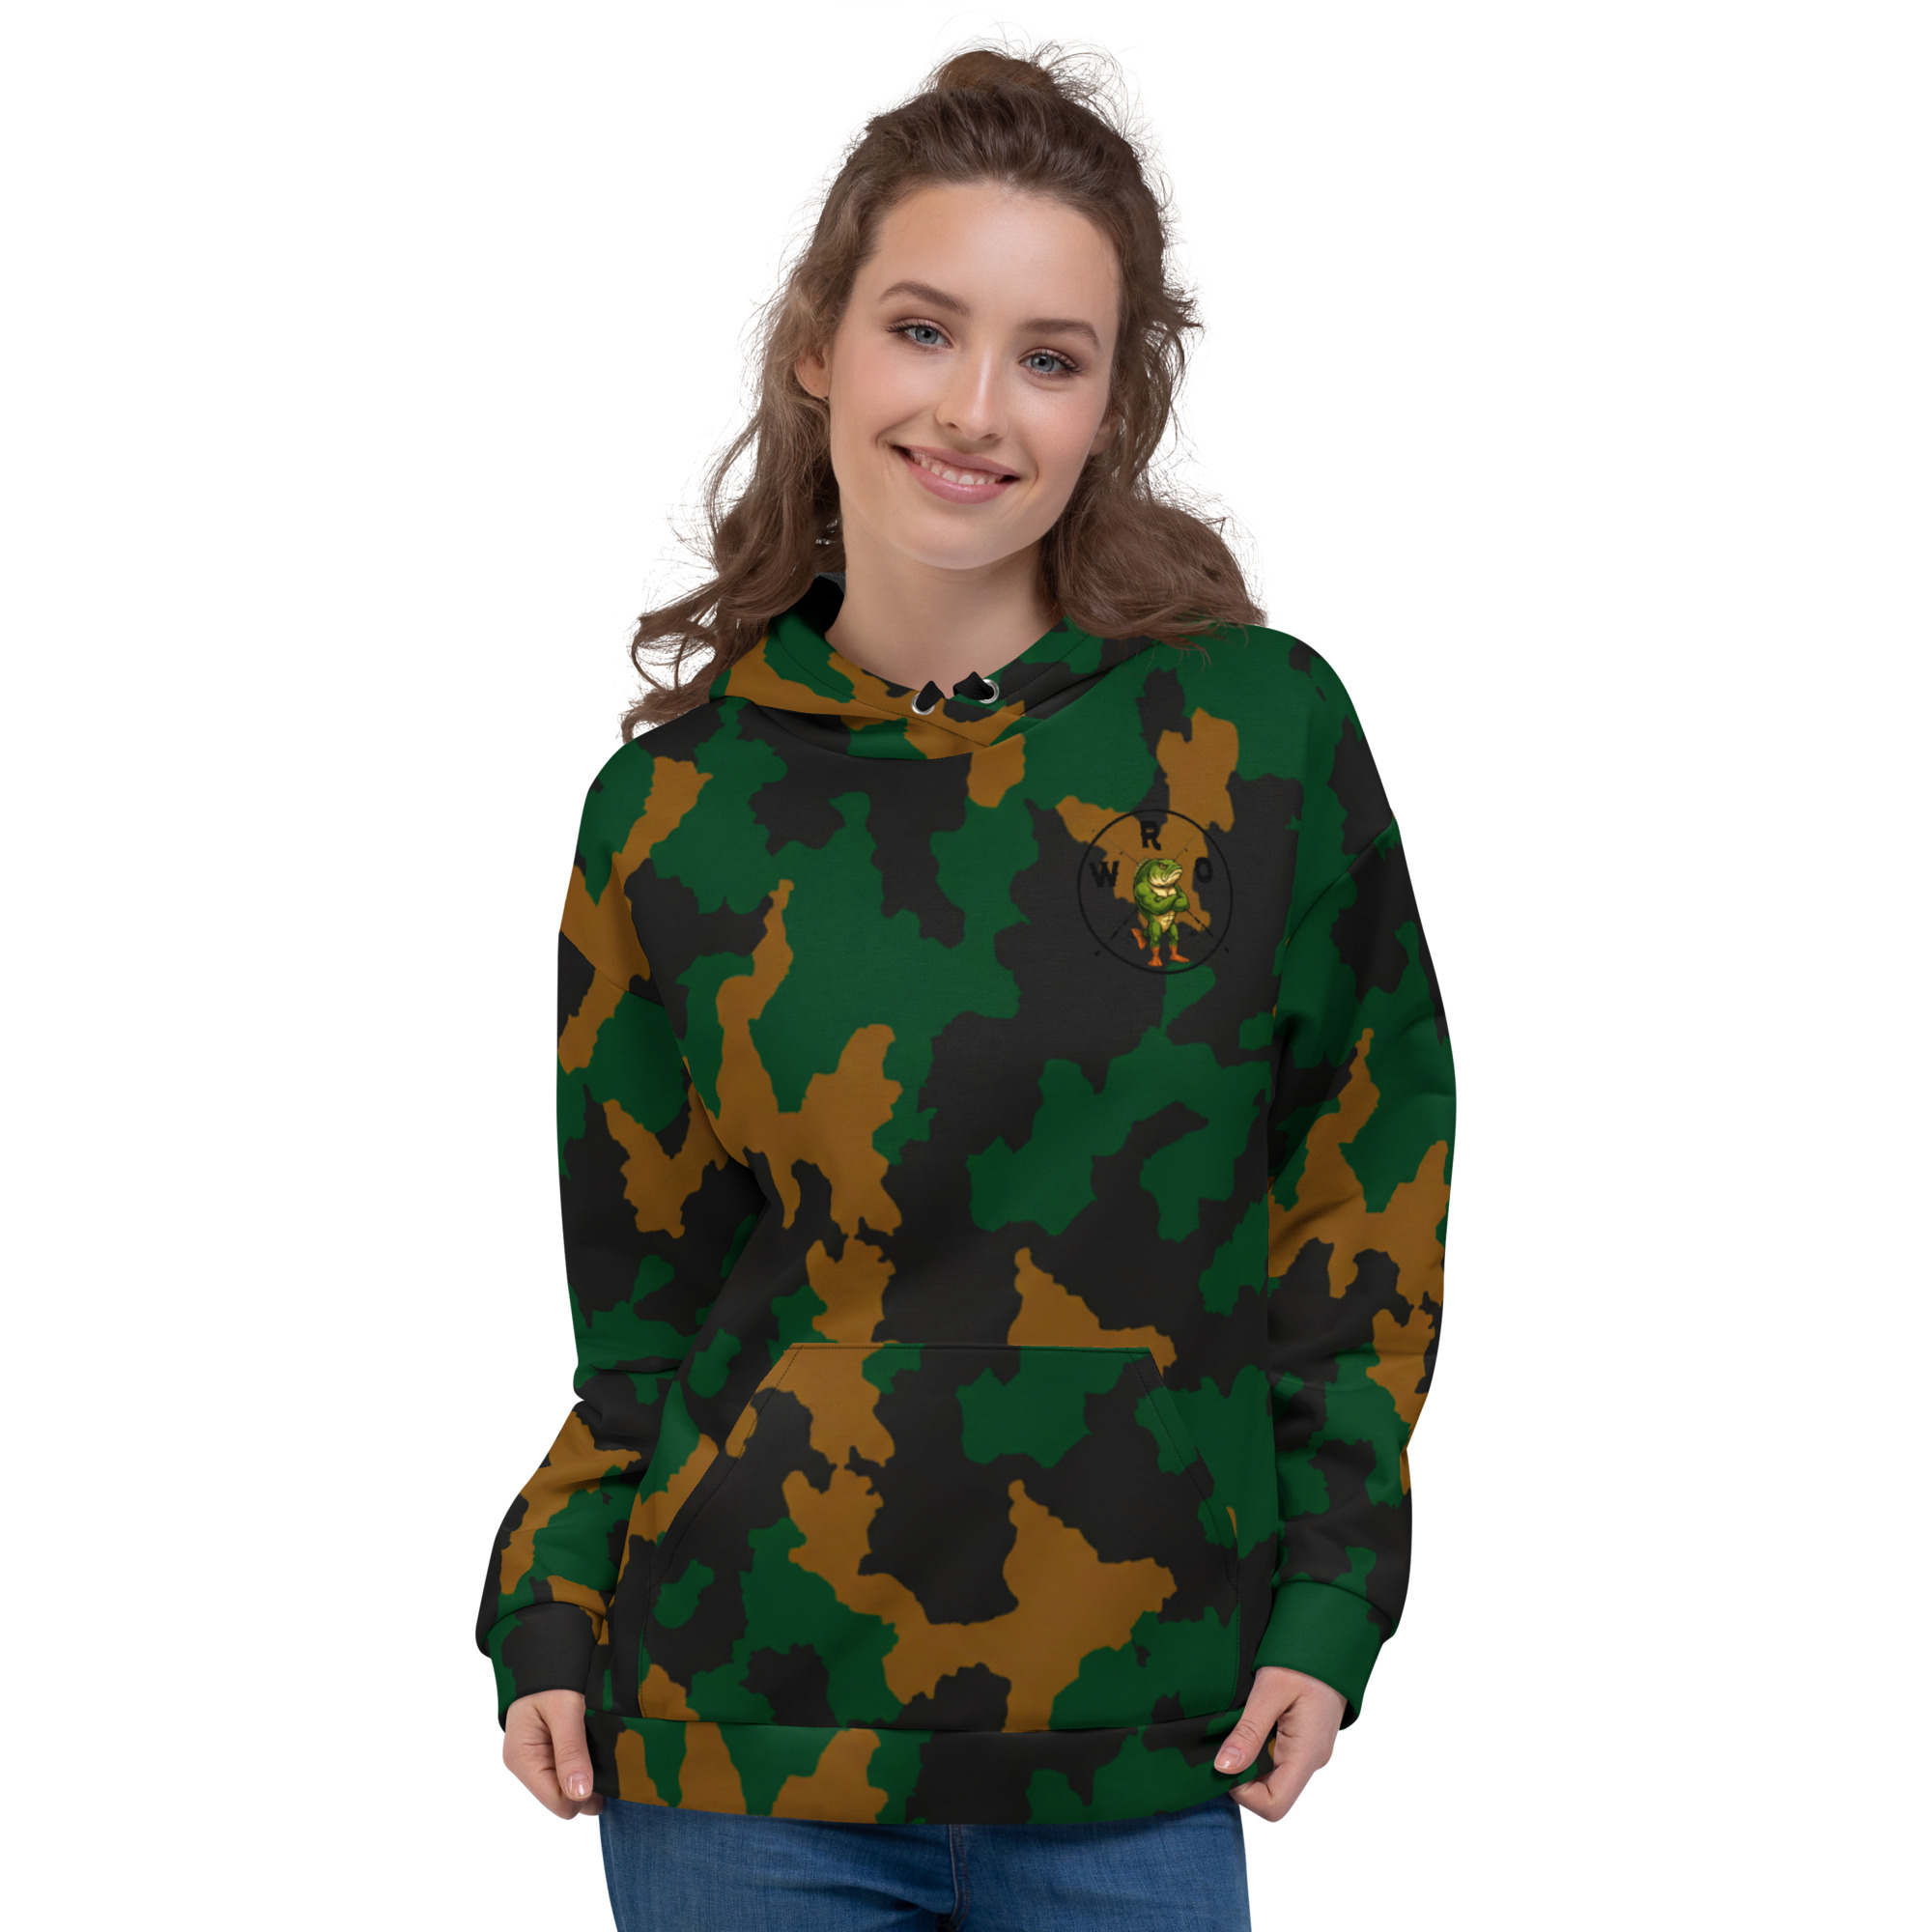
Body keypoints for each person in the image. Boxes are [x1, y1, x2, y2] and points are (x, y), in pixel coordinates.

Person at [476, 43, 1454, 1931]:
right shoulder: (670, 812)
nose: (975, 408)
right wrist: (548, 1604)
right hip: (731, 1750)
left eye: (1050, 356)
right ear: (818, 348)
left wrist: (1335, 1589)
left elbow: (1362, 1190)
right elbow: (645, 1314)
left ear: (1114, 404)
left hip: (1137, 1742)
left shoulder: (1255, 740)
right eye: (923, 329)